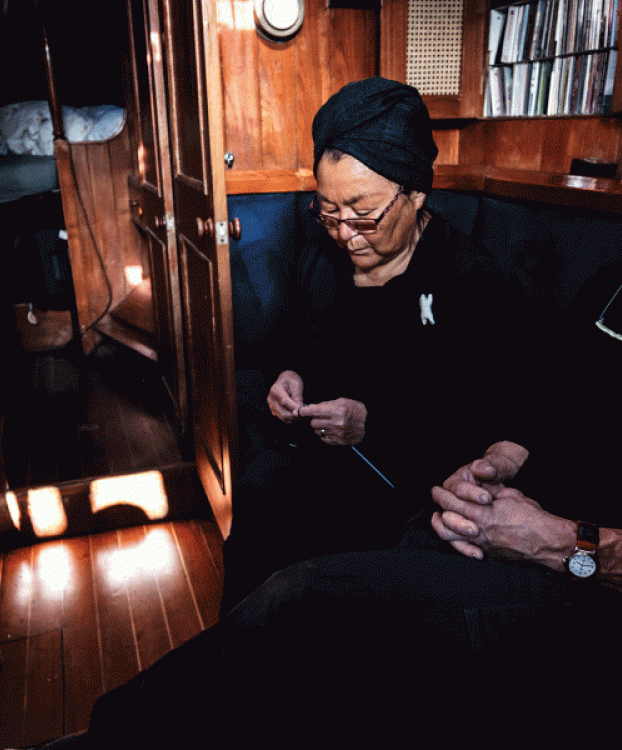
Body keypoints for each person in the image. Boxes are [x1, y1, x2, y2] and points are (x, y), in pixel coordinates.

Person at [44, 16, 622, 745]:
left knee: (304, 602)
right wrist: (501, 464)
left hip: (593, 604)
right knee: (301, 587)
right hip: (501, 533)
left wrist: (555, 543)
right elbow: (546, 408)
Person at [222, 77, 528, 611]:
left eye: (363, 212)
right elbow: (293, 341)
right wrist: (287, 376)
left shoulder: (468, 277)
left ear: (414, 193)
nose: (344, 232)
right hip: (317, 456)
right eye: (328, 210)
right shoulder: (321, 252)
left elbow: (485, 416)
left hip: (405, 473)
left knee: (325, 574)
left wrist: (373, 422)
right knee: (260, 500)